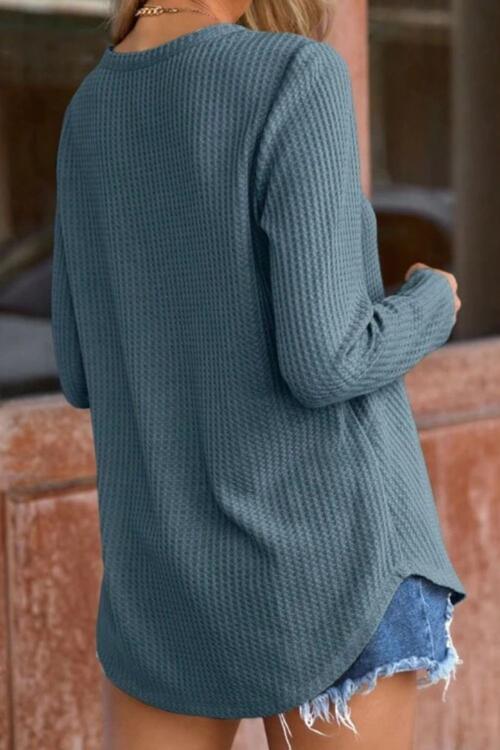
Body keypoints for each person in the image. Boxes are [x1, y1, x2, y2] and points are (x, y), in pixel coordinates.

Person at [50, 1, 468, 748]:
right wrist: (432, 302)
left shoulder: (90, 110)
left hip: (163, 583)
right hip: (329, 571)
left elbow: (80, 372)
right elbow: (329, 360)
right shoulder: (295, 75)